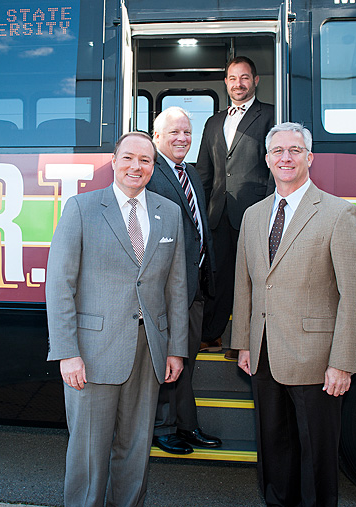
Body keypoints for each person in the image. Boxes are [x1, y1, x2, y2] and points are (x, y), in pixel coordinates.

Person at [46, 131, 189, 507]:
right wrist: (66, 352)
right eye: (128, 158)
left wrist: (176, 350)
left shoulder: (168, 212)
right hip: (92, 352)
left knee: (136, 449)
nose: (135, 167)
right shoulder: (81, 208)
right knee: (88, 454)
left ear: (154, 167)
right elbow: (60, 285)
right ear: (113, 161)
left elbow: (176, 287)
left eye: (145, 160)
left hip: (149, 350)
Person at [232, 122, 356, 507]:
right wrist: (243, 343)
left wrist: (342, 362)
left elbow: (355, 294)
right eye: (278, 151)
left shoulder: (338, 213)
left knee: (316, 459)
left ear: (310, 157)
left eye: (294, 150)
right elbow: (246, 285)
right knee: (273, 452)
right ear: (267, 160)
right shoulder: (253, 216)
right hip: (263, 355)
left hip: (315, 360)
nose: (285, 158)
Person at [147, 107, 222, 455]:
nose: (182, 139)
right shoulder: (150, 170)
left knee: (184, 362)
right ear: (157, 136)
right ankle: (161, 428)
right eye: (174, 132)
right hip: (164, 288)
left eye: (187, 133)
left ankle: (186, 425)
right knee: (165, 361)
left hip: (193, 288)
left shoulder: (189, 172)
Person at [196, 56, 275, 358]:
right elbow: (205, 172)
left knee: (253, 279)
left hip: (255, 213)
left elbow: (274, 168)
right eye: (232, 78)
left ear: (256, 81)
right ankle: (212, 335)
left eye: (244, 78)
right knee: (218, 277)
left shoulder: (270, 116)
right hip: (219, 213)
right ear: (226, 82)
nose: (238, 84)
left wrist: (269, 210)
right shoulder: (214, 121)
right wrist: (200, 214)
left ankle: (244, 342)